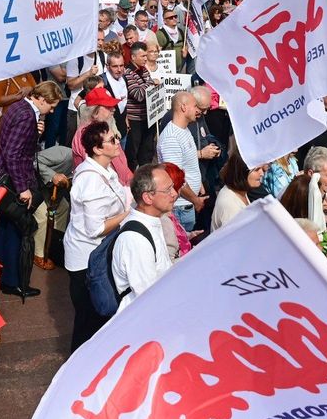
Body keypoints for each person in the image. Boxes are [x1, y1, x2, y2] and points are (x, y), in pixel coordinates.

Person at [0, 80, 61, 298]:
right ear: (41, 99)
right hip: (13, 183)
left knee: (5, 229)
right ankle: (13, 281)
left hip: (3, 179)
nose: (52, 110)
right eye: (51, 105)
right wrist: (23, 188)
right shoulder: (27, 116)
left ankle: (1, 275)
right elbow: (13, 154)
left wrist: (36, 134)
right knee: (17, 232)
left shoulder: (18, 107)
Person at [62, 120, 131, 350]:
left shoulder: (105, 170)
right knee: (89, 321)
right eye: (112, 140)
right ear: (97, 149)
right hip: (86, 259)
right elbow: (95, 228)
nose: (117, 142)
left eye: (116, 137)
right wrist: (127, 215)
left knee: (95, 319)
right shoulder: (91, 179)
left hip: (94, 255)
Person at [111, 163, 176, 313]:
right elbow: (148, 296)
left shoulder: (152, 221)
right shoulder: (135, 239)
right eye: (167, 190)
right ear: (147, 197)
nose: (174, 194)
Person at [155, 90, 213, 232]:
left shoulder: (184, 130)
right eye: (195, 106)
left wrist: (198, 184)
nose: (198, 110)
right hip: (180, 208)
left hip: (187, 204)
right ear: (183, 107)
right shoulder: (171, 138)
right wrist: (195, 200)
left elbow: (188, 162)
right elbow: (175, 179)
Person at [211, 150, 264, 231]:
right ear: (241, 171)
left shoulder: (241, 191)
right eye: (256, 170)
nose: (262, 173)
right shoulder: (230, 205)